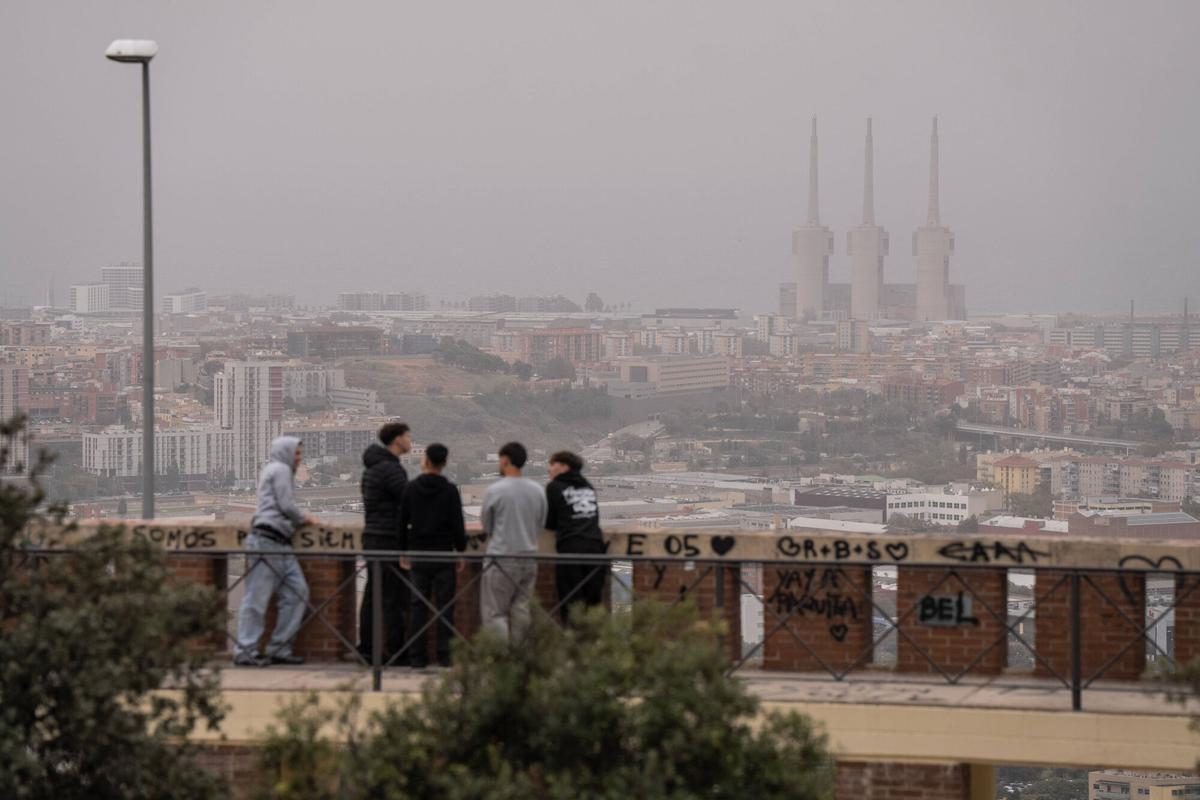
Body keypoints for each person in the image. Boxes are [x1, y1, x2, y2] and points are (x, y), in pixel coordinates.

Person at [234, 436, 321, 667]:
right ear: (286, 453)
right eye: (297, 454)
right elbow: (286, 505)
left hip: (279, 543)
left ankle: (278, 649)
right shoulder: (281, 469)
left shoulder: (274, 469)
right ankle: (246, 651)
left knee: (296, 593)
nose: (299, 459)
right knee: (256, 598)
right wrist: (305, 518)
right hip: (268, 541)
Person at [399, 443, 467, 669]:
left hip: (419, 553)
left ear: (425, 461)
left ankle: (417, 657)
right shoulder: (449, 490)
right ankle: (445, 656)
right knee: (445, 607)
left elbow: (402, 524)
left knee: (418, 606)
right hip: (443, 554)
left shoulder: (411, 488)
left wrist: (403, 550)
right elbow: (458, 526)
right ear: (444, 463)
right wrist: (460, 552)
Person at [479, 442, 547, 642]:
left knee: (494, 612)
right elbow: (540, 523)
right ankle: (520, 658)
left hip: (501, 557)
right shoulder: (537, 490)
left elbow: (487, 526)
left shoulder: (496, 490)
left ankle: (500, 663)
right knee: (521, 608)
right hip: (529, 557)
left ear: (505, 460)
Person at [357, 422, 412, 665]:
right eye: (408, 436)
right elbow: (408, 503)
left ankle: (367, 649)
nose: (410, 441)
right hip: (388, 539)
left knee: (373, 595)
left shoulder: (373, 468)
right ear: (397, 439)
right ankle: (396, 652)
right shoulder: (391, 470)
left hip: (372, 537)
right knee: (394, 598)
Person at [545, 450, 607, 623]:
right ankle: (594, 643)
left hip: (570, 549)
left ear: (564, 467)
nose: (549, 469)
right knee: (593, 601)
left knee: (571, 601)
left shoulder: (555, 486)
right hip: (596, 548)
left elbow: (549, 523)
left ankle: (573, 644)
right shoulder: (588, 486)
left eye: (552, 465)